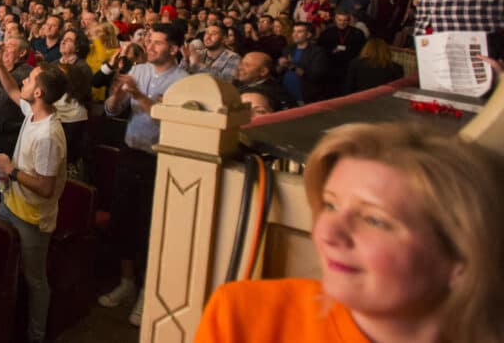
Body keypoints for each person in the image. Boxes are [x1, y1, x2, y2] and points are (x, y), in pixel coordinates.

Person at [196, 122, 504, 343]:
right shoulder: (246, 316)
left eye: (374, 220)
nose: (326, 232)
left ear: (462, 257)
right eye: (330, 205)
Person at [98, 24, 188, 327]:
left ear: (174, 49)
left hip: (159, 160)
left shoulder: (184, 82)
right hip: (130, 153)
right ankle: (127, 283)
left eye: (158, 43)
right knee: (123, 220)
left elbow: (173, 121)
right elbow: (112, 111)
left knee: (150, 225)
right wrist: (117, 94)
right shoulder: (139, 69)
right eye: (149, 41)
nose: (150, 47)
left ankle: (148, 291)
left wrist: (139, 95)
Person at [0, 58, 68, 343]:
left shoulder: (48, 134)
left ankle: (36, 334)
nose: (23, 80)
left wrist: (12, 171)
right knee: (5, 267)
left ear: (38, 93)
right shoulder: (33, 112)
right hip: (11, 205)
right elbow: (12, 91)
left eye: (30, 79)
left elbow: (46, 188)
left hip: (32, 218)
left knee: (35, 280)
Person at [279, 22, 329, 106]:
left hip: (306, 97)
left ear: (308, 35)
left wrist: (292, 66)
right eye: (294, 31)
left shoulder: (318, 51)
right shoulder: (288, 49)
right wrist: (280, 65)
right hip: (287, 96)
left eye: (299, 32)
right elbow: (278, 72)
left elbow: (315, 75)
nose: (295, 34)